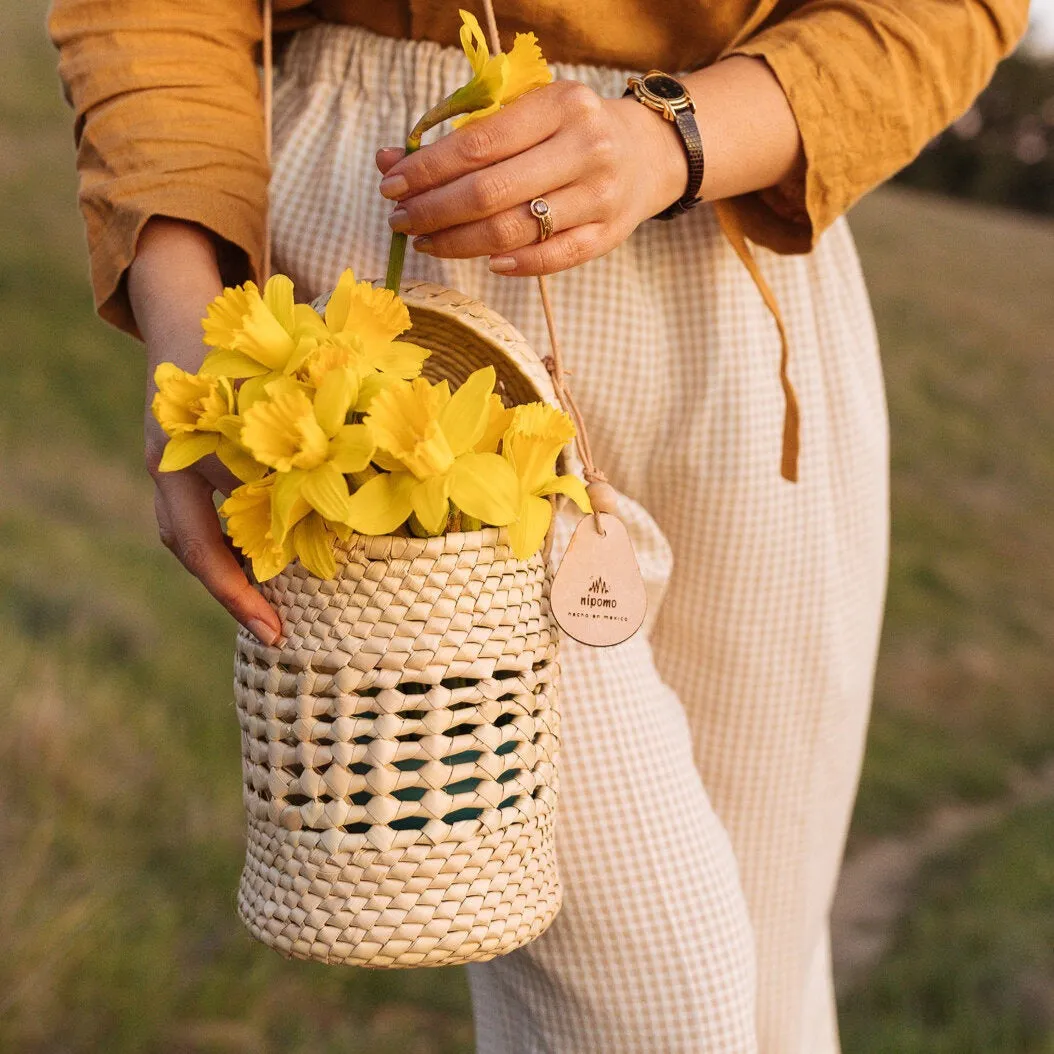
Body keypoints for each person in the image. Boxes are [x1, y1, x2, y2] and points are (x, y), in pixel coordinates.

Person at [49, 1, 1029, 1050]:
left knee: (770, 992)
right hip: (403, 301)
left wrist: (673, 136)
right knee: (652, 1002)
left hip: (751, 262)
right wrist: (193, 333)